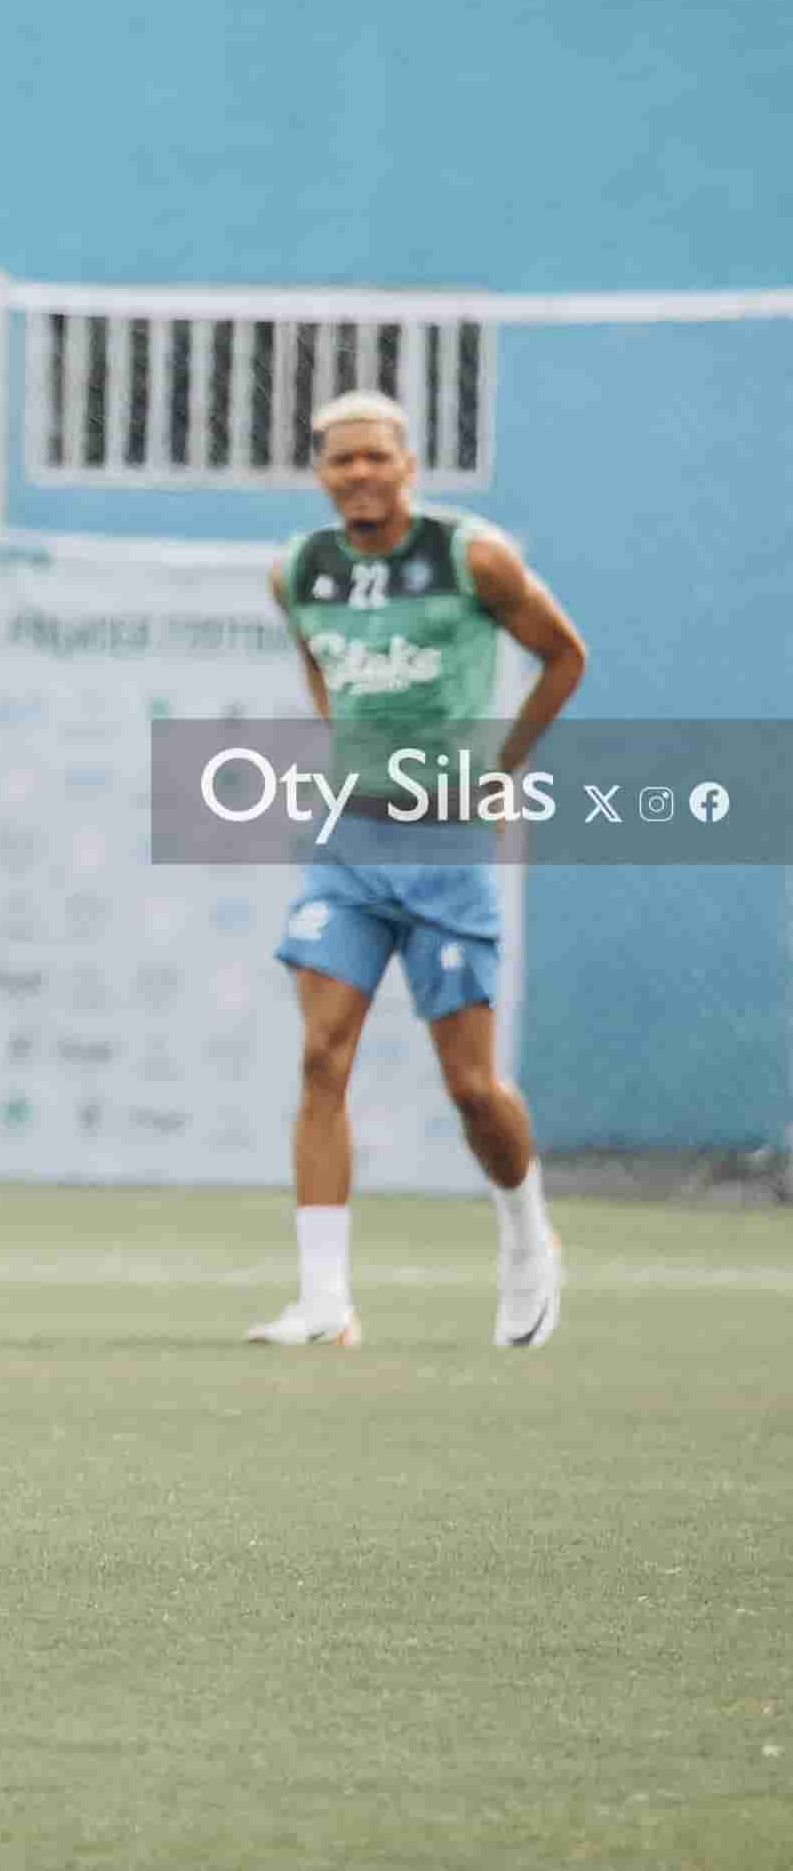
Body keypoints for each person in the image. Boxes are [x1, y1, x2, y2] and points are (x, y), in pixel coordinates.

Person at [247, 389, 587, 1351]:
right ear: (320, 472)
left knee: (472, 1086)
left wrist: (498, 771)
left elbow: (565, 657)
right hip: (350, 843)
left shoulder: (472, 555)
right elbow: (321, 664)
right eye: (340, 459)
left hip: (447, 848)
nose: (359, 473)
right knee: (322, 1054)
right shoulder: (298, 571)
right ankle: (324, 1302)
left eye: (376, 458)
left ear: (408, 465)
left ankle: (527, 1236)